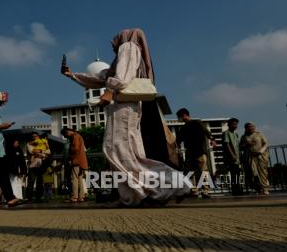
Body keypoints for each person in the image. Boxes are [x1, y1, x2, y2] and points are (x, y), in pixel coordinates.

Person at [62, 28, 190, 206]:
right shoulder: (124, 54)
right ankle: (135, 196)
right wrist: (73, 75)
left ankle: (170, 186)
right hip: (126, 106)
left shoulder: (128, 46)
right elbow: (103, 77)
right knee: (128, 153)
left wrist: (108, 91)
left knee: (117, 150)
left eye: (114, 40)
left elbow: (121, 78)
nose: (113, 44)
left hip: (124, 106)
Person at [176, 108, 217, 199]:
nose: (179, 119)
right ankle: (194, 191)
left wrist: (212, 140)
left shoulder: (197, 123)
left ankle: (205, 191)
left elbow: (206, 131)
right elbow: (178, 140)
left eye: (179, 117)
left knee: (203, 172)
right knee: (191, 173)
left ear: (184, 115)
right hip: (189, 154)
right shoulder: (183, 128)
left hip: (200, 152)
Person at [240, 122, 270, 195]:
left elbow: (266, 144)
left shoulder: (259, 134)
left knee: (262, 173)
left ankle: (265, 188)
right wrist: (246, 145)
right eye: (248, 127)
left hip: (260, 156)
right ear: (245, 128)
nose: (250, 128)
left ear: (254, 127)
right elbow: (240, 147)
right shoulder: (244, 136)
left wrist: (260, 152)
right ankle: (258, 188)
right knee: (252, 174)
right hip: (249, 157)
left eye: (251, 126)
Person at [61, 128, 88, 203]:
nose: (66, 137)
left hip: (76, 161)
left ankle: (74, 197)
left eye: (65, 135)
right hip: (81, 161)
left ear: (67, 132)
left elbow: (75, 148)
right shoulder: (79, 136)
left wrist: (70, 156)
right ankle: (81, 197)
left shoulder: (75, 137)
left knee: (74, 179)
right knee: (79, 179)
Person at [26, 132, 51, 203]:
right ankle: (29, 198)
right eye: (33, 137)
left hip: (41, 165)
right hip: (33, 166)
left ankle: (38, 197)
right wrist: (43, 154)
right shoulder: (29, 144)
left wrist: (41, 152)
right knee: (31, 182)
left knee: (40, 182)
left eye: (36, 136)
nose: (35, 137)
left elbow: (49, 151)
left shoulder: (42, 142)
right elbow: (32, 152)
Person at [222, 118, 242, 195]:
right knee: (234, 174)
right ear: (229, 124)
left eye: (236, 124)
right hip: (231, 158)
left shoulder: (236, 134)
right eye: (233, 124)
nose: (235, 125)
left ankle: (238, 189)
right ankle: (236, 191)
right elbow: (226, 144)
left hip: (237, 158)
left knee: (237, 174)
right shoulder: (226, 133)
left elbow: (237, 146)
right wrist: (232, 155)